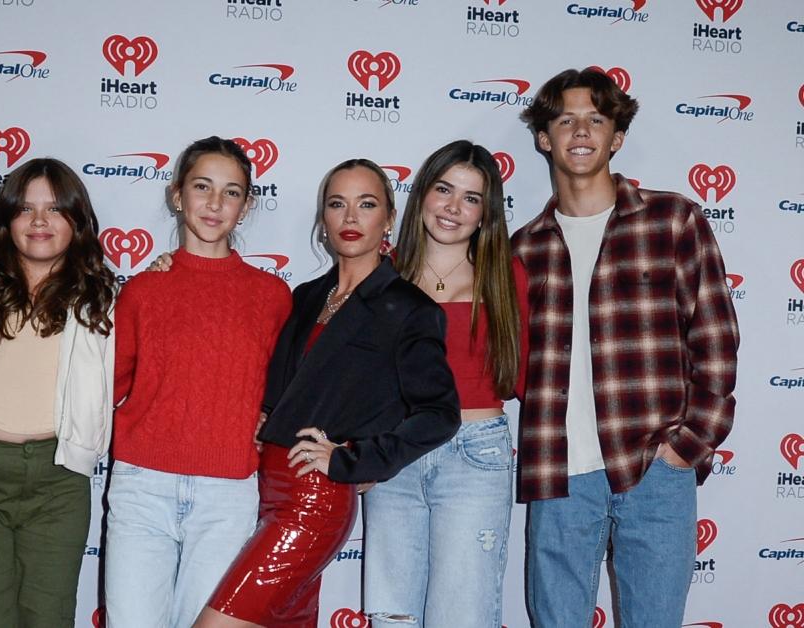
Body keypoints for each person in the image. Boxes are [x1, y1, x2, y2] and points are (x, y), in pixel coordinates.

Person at [512, 68, 739, 627]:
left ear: (616, 138)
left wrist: (690, 443)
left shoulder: (672, 219)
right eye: (565, 119)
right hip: (559, 471)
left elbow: (715, 337)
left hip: (656, 465)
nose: (581, 131)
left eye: (596, 119)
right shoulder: (523, 248)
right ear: (545, 137)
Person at [198, 159, 460, 628]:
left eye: (367, 204)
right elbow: (285, 387)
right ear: (324, 220)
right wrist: (267, 415)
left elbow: (439, 414)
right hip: (267, 488)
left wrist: (358, 458)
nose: (351, 217)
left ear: (389, 218)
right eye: (337, 204)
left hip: (315, 499)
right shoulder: (303, 297)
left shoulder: (408, 308)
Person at [104, 136, 293, 628]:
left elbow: (288, 390)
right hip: (142, 486)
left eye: (231, 192)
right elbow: (107, 385)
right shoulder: (143, 290)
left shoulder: (273, 296)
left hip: (228, 493)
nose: (214, 203)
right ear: (177, 195)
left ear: (247, 205)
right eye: (202, 186)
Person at [0, 158, 117, 627]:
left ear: (77, 221)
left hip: (59, 484)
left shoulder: (104, 298)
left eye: (55, 209)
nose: (39, 221)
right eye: (26, 209)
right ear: (7, 218)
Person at [360, 140, 528, 627]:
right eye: (444, 189)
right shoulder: (381, 272)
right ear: (422, 195)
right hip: (396, 452)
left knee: (464, 616)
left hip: (475, 455)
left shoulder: (504, 274)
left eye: (471, 198)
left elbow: (521, 373)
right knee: (391, 617)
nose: (453, 207)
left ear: (485, 213)